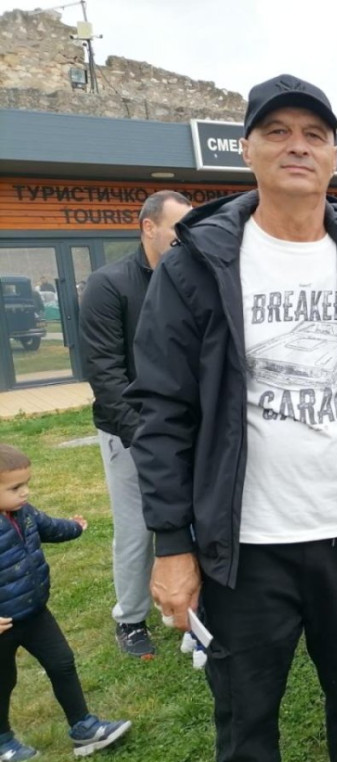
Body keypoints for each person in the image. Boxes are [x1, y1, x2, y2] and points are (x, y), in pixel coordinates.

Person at [126, 74, 337, 762]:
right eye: (277, 131)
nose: (298, 146)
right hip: (244, 550)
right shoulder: (196, 265)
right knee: (246, 724)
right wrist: (171, 543)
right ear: (247, 149)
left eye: (315, 135)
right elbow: (160, 410)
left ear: (334, 155)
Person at [78, 190, 192, 660]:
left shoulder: (188, 278)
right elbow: (105, 372)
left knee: (193, 522)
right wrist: (146, 437)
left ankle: (191, 614)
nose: (185, 237)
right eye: (177, 228)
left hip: (186, 427)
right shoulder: (109, 285)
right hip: (129, 432)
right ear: (148, 227)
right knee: (136, 529)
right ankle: (130, 618)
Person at [0, 444, 131, 762]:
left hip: (35, 613)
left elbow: (48, 527)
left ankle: (83, 727)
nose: (25, 492)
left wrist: (74, 527)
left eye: (26, 484)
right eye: (15, 488)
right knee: (4, 681)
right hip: (2, 626)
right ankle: (2, 739)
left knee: (62, 663)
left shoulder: (23, 513)